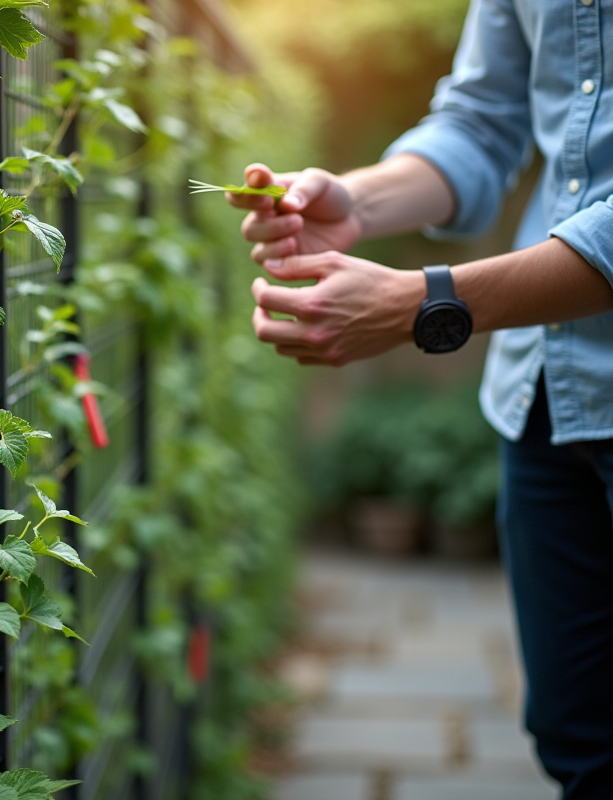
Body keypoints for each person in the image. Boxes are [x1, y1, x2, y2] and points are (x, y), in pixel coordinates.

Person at [227, 1, 613, 797]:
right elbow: (480, 119)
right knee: (578, 739)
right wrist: (356, 202)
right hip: (545, 395)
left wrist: (426, 303)